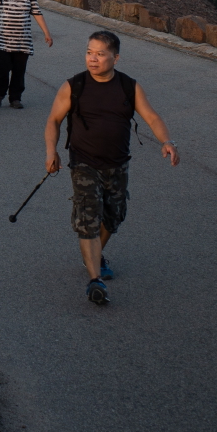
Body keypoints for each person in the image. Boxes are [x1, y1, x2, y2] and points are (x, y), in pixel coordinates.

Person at [44, 30, 179, 306]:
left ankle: (94, 254)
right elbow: (53, 121)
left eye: (100, 54)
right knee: (88, 216)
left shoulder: (129, 86)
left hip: (117, 164)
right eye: (89, 53)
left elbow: (151, 116)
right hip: (83, 162)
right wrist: (52, 151)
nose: (92, 59)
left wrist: (167, 141)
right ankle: (96, 280)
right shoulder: (74, 86)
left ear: (115, 58)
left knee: (114, 216)